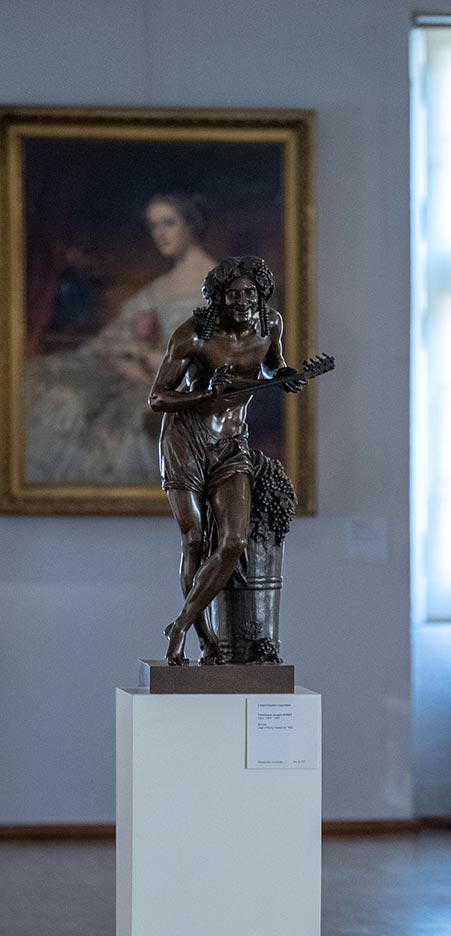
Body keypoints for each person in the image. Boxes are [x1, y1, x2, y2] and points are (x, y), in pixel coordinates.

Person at [148, 255, 311, 665]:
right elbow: (157, 398)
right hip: (187, 441)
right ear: (218, 298)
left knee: (234, 541)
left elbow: (273, 367)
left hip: (231, 443)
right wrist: (205, 394)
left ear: (261, 295)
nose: (243, 302)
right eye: (233, 295)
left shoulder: (270, 324)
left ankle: (181, 623)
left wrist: (288, 377)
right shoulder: (194, 336)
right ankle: (206, 637)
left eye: (250, 294)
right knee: (195, 541)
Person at [27, 194, 216, 485]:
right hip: (131, 375)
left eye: (169, 223)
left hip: (175, 388)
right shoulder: (158, 287)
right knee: (51, 389)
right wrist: (121, 352)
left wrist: (139, 355)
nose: (160, 234)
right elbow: (112, 337)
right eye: (154, 226)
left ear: (191, 225)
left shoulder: (220, 287)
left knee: (111, 427)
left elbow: (206, 366)